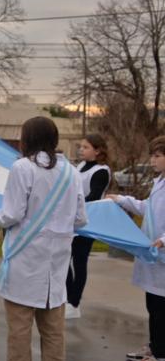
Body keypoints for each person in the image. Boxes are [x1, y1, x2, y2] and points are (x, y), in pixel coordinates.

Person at [0, 117, 87, 361]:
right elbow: (80, 218)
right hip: (57, 261)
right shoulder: (72, 171)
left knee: (20, 325)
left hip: (26, 256)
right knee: (54, 328)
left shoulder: (23, 167)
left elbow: (12, 213)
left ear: (27, 137)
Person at [108, 135, 165, 361]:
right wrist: (122, 200)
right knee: (153, 304)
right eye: (152, 155)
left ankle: (162, 357)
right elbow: (147, 208)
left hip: (161, 253)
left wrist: (163, 240)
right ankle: (155, 347)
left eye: (157, 155)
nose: (152, 160)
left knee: (162, 308)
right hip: (153, 255)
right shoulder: (159, 182)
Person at [65, 135, 111, 319]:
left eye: (86, 147)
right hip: (72, 220)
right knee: (63, 259)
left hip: (89, 222)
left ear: (97, 150)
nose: (81, 150)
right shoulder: (80, 167)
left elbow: (94, 196)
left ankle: (74, 303)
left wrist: (73, 204)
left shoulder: (101, 170)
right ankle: (67, 297)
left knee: (79, 261)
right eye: (81, 147)